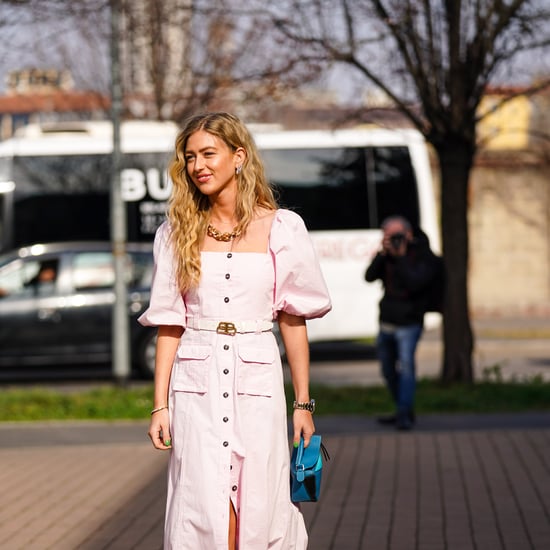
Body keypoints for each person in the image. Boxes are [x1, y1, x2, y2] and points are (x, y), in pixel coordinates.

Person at [138, 112, 331, 549]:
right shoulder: (175, 233)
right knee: (202, 502)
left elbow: (292, 320)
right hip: (195, 385)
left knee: (259, 498)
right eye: (190, 157)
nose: (198, 165)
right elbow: (170, 322)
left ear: (238, 157)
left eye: (209, 153)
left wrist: (302, 404)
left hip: (258, 379)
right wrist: (159, 405)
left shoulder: (283, 227)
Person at [365, 216, 437, 431]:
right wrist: (382, 255)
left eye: (397, 236)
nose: (394, 240)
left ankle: (404, 414)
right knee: (387, 369)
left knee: (406, 368)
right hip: (387, 321)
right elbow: (369, 277)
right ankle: (402, 409)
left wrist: (402, 257)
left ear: (409, 234)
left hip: (409, 322)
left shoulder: (422, 255)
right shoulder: (385, 257)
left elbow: (416, 283)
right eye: (388, 236)